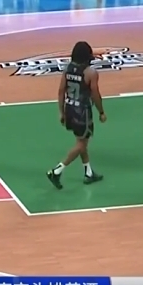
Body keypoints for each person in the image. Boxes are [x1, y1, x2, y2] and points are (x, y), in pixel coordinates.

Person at [47, 41, 105, 189]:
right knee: (81, 144)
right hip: (82, 112)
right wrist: (101, 112)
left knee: (81, 141)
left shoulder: (67, 69)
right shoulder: (91, 73)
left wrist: (61, 111)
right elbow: (95, 95)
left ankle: (88, 172)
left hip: (69, 109)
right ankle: (57, 171)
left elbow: (61, 91)